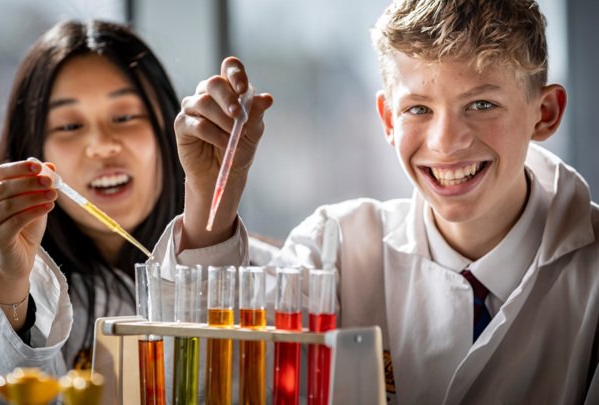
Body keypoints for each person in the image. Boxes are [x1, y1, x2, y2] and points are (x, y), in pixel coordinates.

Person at [153, 0, 599, 403]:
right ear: (388, 118)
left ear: (545, 113)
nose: (445, 143)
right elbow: (206, 382)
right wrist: (210, 198)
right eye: (418, 109)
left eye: (481, 104)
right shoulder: (337, 249)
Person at [0, 20, 188, 403]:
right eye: (69, 125)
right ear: (34, 152)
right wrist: (11, 275)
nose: (101, 145)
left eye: (125, 117)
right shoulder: (22, 294)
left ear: (168, 129)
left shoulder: (242, 267)